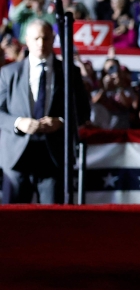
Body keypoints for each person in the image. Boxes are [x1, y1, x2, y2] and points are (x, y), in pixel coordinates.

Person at [0, 20, 90, 203]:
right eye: (36, 38)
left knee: (52, 221)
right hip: (16, 157)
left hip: (53, 157)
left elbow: (83, 112)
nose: (41, 43)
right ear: (27, 40)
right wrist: (18, 123)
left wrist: (61, 122)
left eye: (46, 38)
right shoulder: (8, 73)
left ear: (53, 39)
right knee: (13, 221)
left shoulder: (69, 72)